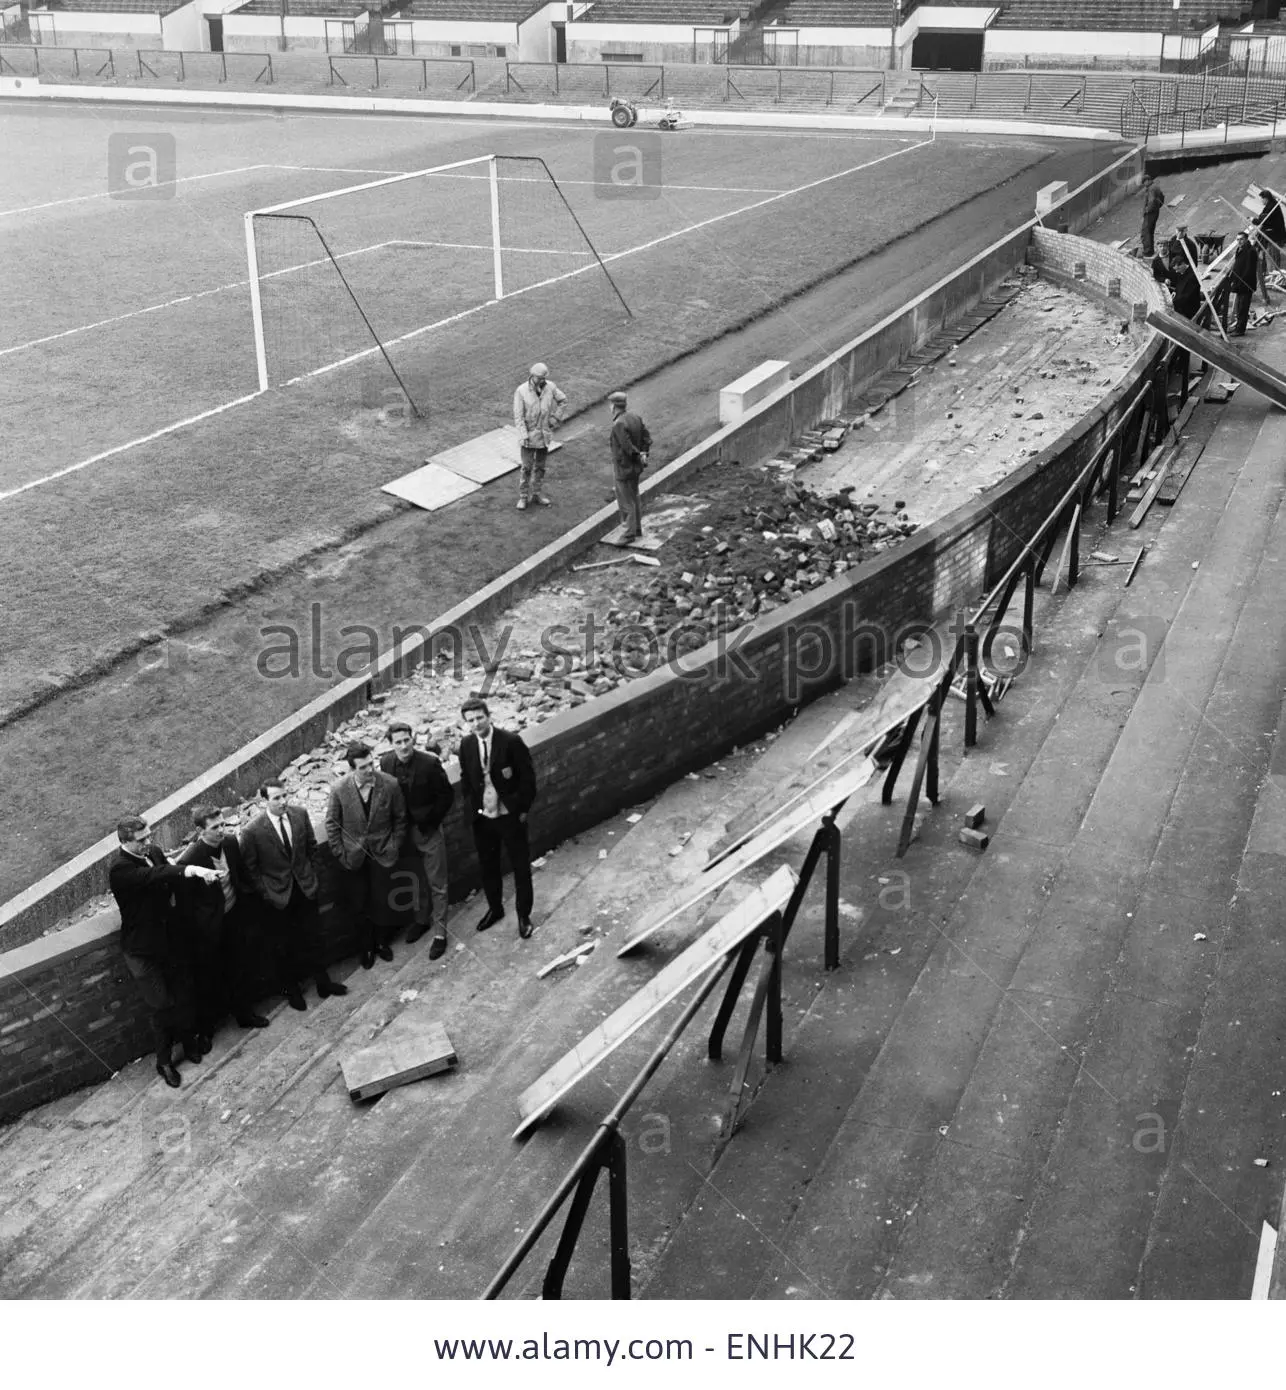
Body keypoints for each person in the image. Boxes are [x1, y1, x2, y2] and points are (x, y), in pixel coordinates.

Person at [109, 816, 219, 1088]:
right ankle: (164, 1061)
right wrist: (191, 870)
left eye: (149, 835)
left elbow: (170, 877)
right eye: (142, 839)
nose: (149, 842)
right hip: (142, 950)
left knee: (182, 993)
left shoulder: (154, 852)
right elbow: (156, 875)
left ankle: (189, 1042)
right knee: (161, 1005)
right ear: (124, 841)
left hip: (167, 942)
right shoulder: (120, 869)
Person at [240, 780, 348, 1010]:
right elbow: (251, 869)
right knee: (284, 945)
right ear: (264, 801)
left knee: (315, 937)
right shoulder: (252, 831)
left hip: (305, 888)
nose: (283, 802)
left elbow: (311, 847)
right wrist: (267, 894)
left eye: (284, 796)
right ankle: (293, 990)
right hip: (278, 896)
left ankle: (323, 983)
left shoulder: (299, 814)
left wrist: (314, 877)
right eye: (276, 798)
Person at [178, 806, 270, 1034]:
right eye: (215, 827)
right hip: (210, 928)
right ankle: (207, 1030)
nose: (222, 830)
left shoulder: (230, 843)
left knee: (240, 967)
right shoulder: (191, 859)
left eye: (222, 824)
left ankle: (244, 1015)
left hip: (234, 916)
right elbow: (186, 904)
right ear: (200, 831)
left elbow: (241, 875)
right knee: (210, 977)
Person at [458, 698, 538, 940]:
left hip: (509, 816)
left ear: (488, 716)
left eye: (479, 718)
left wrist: (521, 810)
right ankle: (495, 909)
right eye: (471, 720)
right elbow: (466, 778)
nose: (476, 723)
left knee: (520, 866)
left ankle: (524, 915)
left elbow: (528, 779)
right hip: (483, 818)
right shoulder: (467, 744)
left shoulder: (511, 741)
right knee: (488, 866)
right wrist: (472, 808)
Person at [326, 741, 407, 971]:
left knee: (383, 899)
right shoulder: (339, 790)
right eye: (363, 767)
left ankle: (382, 942)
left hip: (382, 854)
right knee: (359, 904)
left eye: (371, 764)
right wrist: (341, 855)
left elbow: (400, 819)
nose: (370, 770)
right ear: (352, 769)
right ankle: (367, 947)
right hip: (354, 858)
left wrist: (394, 846)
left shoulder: (389, 784)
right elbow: (331, 825)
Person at [380, 723, 454, 961]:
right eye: (398, 742)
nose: (403, 746)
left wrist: (430, 824)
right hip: (404, 834)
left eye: (406, 740)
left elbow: (446, 796)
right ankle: (421, 920)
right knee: (416, 878)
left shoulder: (430, 763)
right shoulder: (386, 763)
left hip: (428, 831)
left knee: (437, 882)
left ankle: (441, 933)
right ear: (391, 744)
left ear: (413, 739)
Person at [512, 361, 567, 511]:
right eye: (539, 378)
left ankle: (537, 493)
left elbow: (563, 400)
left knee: (540, 467)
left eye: (544, 378)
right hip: (529, 436)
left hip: (544, 434)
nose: (542, 381)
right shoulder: (521, 391)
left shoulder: (550, 387)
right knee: (526, 467)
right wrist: (523, 435)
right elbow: (518, 416)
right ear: (532, 376)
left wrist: (555, 418)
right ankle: (523, 496)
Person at [608, 390, 652, 543]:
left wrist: (638, 454)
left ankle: (628, 533)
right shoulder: (635, 417)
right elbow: (647, 438)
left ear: (614, 406)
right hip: (636, 467)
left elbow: (627, 447)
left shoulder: (618, 424)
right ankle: (637, 528)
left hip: (624, 468)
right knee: (634, 496)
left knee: (626, 501)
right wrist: (644, 453)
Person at [1225, 229, 1271, 337]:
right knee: (1239, 308)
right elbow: (1237, 265)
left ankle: (1240, 330)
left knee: (1243, 309)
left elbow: (1249, 270)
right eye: (1237, 239)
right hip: (1239, 284)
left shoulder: (1250, 251)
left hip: (1245, 285)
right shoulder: (1240, 249)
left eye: (1241, 239)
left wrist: (1241, 282)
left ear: (1246, 239)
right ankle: (1237, 327)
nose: (1239, 241)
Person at [1140, 174, 1165, 258]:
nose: (1144, 185)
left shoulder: (1151, 189)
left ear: (1147, 180)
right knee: (1150, 232)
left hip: (1150, 214)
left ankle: (1147, 252)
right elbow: (1162, 198)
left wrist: (1147, 210)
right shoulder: (1156, 187)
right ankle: (1150, 250)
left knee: (1145, 233)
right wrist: (1157, 207)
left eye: (1144, 182)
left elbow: (1152, 200)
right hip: (1155, 212)